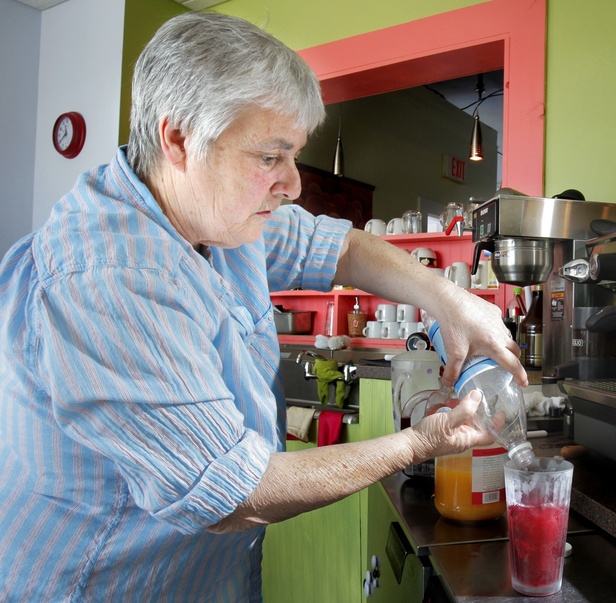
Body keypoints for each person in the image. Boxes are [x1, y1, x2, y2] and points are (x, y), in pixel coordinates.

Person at [0, 12, 527, 602]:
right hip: (103, 584)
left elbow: (341, 246)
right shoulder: (109, 276)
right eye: (270, 157)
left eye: (294, 155)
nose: (294, 185)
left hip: (206, 579)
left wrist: (451, 301)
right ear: (178, 139)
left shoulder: (209, 210)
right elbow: (236, 493)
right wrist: (419, 443)